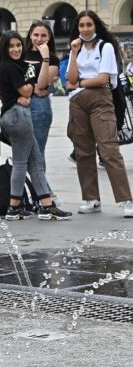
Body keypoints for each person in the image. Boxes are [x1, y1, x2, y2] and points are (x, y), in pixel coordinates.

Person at [0, 31, 73, 220]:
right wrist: (28, 89)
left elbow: (38, 85)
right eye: (11, 46)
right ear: (5, 49)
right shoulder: (9, 67)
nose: (16, 49)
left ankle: (46, 205)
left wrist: (30, 87)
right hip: (16, 116)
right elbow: (28, 90)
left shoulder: (21, 65)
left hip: (19, 115)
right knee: (21, 162)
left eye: (18, 45)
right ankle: (14, 207)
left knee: (35, 161)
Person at [65, 10, 133, 218]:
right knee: (83, 151)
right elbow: (70, 78)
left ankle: (126, 200)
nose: (85, 29)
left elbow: (102, 79)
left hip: (100, 101)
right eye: (81, 25)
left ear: (96, 26)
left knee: (109, 150)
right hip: (77, 103)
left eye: (89, 25)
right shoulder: (75, 49)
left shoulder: (106, 47)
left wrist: (80, 83)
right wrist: (74, 54)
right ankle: (91, 198)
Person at [24, 20, 59, 156]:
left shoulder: (53, 59)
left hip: (40, 106)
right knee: (22, 151)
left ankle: (38, 177)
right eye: (36, 35)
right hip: (19, 103)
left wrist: (45, 58)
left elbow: (42, 84)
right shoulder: (20, 55)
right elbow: (13, 81)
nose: (39, 39)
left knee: (38, 150)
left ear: (49, 37)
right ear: (30, 35)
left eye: (43, 36)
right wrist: (33, 87)